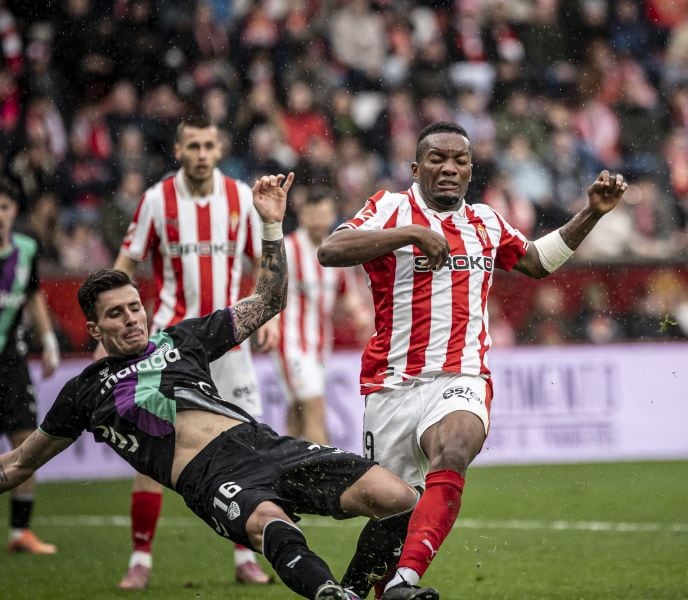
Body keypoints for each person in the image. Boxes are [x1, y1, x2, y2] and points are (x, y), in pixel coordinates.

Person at [0, 172, 422, 600]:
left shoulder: (182, 339)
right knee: (270, 525)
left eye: (134, 308)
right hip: (209, 474)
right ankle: (329, 593)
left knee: (400, 498)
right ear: (94, 327)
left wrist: (272, 225)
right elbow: (17, 464)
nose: (131, 319)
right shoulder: (84, 391)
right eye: (116, 315)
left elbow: (268, 302)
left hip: (263, 444)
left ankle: (352, 589)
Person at [318, 121, 627, 599]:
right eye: (437, 159)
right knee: (394, 513)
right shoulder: (388, 207)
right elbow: (331, 249)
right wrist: (408, 235)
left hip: (462, 375)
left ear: (470, 169)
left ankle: (406, 579)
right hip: (392, 384)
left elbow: (537, 262)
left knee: (456, 447)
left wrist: (592, 212)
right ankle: (359, 589)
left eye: (459, 160)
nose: (449, 168)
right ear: (415, 168)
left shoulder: (485, 220)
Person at [107, 115, 280, 588]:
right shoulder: (156, 201)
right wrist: (113, 319)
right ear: (178, 151)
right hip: (168, 345)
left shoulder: (241, 198)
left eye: (209, 145)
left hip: (229, 342)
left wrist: (267, 316)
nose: (202, 153)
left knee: (243, 449)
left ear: (218, 149)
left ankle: (245, 558)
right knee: (153, 449)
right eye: (194, 146)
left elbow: (263, 260)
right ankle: (140, 560)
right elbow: (126, 262)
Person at [274, 187, 371, 444]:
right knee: (315, 407)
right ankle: (326, 478)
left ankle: (275, 471)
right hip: (290, 344)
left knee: (297, 414)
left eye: (325, 213)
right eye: (314, 213)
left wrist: (362, 315)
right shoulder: (288, 249)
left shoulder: (334, 251)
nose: (320, 219)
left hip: (320, 346)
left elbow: (346, 291)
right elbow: (266, 290)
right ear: (303, 215)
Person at [0, 179, 59, 554]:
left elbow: (34, 295)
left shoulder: (26, 248)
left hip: (10, 359)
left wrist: (49, 339)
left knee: (26, 440)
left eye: (4, 206)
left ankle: (20, 532)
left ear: (15, 211)